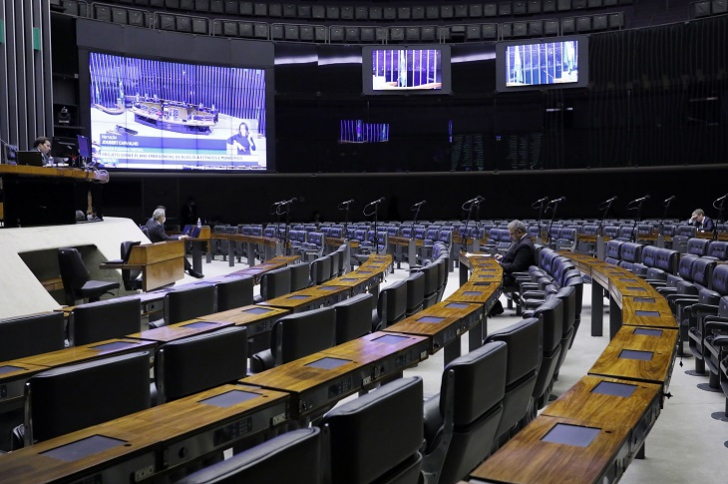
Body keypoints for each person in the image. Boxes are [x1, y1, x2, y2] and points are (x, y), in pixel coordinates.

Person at [490, 219, 536, 316]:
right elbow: (514, 258)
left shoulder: (525, 245)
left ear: (519, 232)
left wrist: (499, 264)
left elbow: (516, 267)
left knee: (485, 279)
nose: (510, 237)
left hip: (514, 278)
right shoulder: (520, 241)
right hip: (509, 274)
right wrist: (502, 258)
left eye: (511, 234)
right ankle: (493, 306)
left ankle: (494, 307)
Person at [145, 207, 203, 278]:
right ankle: (190, 271)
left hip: (153, 246)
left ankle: (190, 270)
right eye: (164, 216)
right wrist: (179, 237)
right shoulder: (157, 226)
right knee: (177, 250)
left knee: (176, 246)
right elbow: (166, 238)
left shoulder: (150, 221)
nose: (164, 218)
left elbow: (163, 236)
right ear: (160, 217)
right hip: (158, 248)